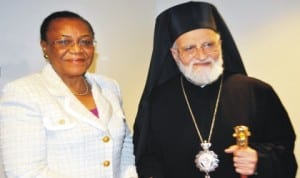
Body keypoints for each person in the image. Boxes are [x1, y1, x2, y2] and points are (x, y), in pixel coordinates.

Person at [133, 2, 297, 178]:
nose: (202, 55)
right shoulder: (158, 100)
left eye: (209, 44)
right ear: (175, 53)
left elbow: (285, 154)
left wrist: (259, 160)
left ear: (220, 45)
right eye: (189, 48)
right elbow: (147, 158)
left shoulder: (257, 93)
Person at [0, 11, 137, 178]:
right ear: (45, 46)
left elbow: (125, 148)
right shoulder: (24, 92)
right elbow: (25, 172)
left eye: (85, 42)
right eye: (64, 42)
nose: (77, 49)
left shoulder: (109, 87)